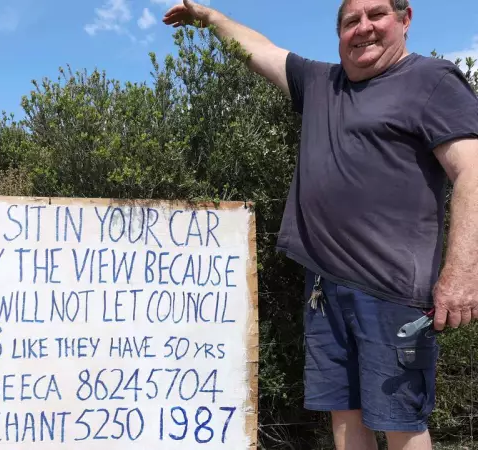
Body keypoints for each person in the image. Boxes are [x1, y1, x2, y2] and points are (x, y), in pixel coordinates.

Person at [163, 0, 478, 449]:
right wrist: (211, 18)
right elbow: (259, 49)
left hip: (393, 293)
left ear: (405, 20)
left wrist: (464, 271)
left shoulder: (431, 81)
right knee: (345, 419)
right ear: (339, 34)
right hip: (323, 287)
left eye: (376, 15)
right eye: (351, 21)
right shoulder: (320, 82)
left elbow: (473, 170)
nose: (363, 28)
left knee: (401, 423)